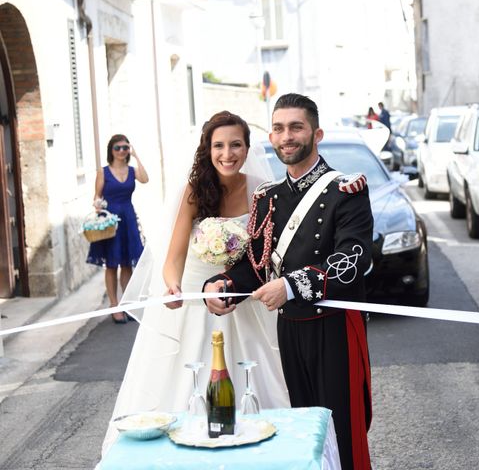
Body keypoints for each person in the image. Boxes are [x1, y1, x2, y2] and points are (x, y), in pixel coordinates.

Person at [101, 111, 289, 455]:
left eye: (235, 145)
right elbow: (173, 256)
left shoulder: (262, 193)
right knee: (180, 382)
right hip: (193, 298)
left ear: (247, 149)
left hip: (240, 300)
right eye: (219, 145)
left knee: (257, 379)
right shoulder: (194, 190)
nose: (227, 153)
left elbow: (266, 254)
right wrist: (172, 286)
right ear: (208, 148)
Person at [204, 94, 374, 470]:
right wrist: (220, 285)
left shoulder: (347, 190)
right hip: (291, 327)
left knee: (342, 430)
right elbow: (255, 264)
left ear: (317, 133)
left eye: (296, 127)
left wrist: (292, 286)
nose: (286, 136)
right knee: (304, 426)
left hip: (335, 327)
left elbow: (353, 261)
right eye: (278, 128)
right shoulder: (268, 197)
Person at [87, 134, 148, 323]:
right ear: (111, 150)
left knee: (127, 264)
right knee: (112, 264)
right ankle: (114, 305)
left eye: (125, 148)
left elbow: (145, 179)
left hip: (128, 218)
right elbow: (96, 196)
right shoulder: (103, 172)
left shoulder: (131, 171)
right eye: (118, 148)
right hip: (111, 221)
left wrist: (137, 155)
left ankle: (127, 304)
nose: (122, 151)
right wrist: (98, 204)